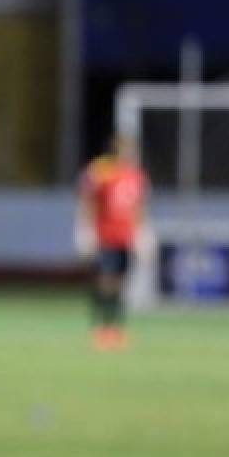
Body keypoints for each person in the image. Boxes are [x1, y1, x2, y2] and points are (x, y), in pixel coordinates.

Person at [76, 133, 149, 349]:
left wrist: (142, 232)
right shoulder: (101, 171)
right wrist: (85, 229)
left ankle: (117, 328)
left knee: (121, 282)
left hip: (125, 237)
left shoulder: (136, 175)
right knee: (105, 279)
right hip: (105, 234)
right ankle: (100, 326)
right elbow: (87, 199)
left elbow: (138, 206)